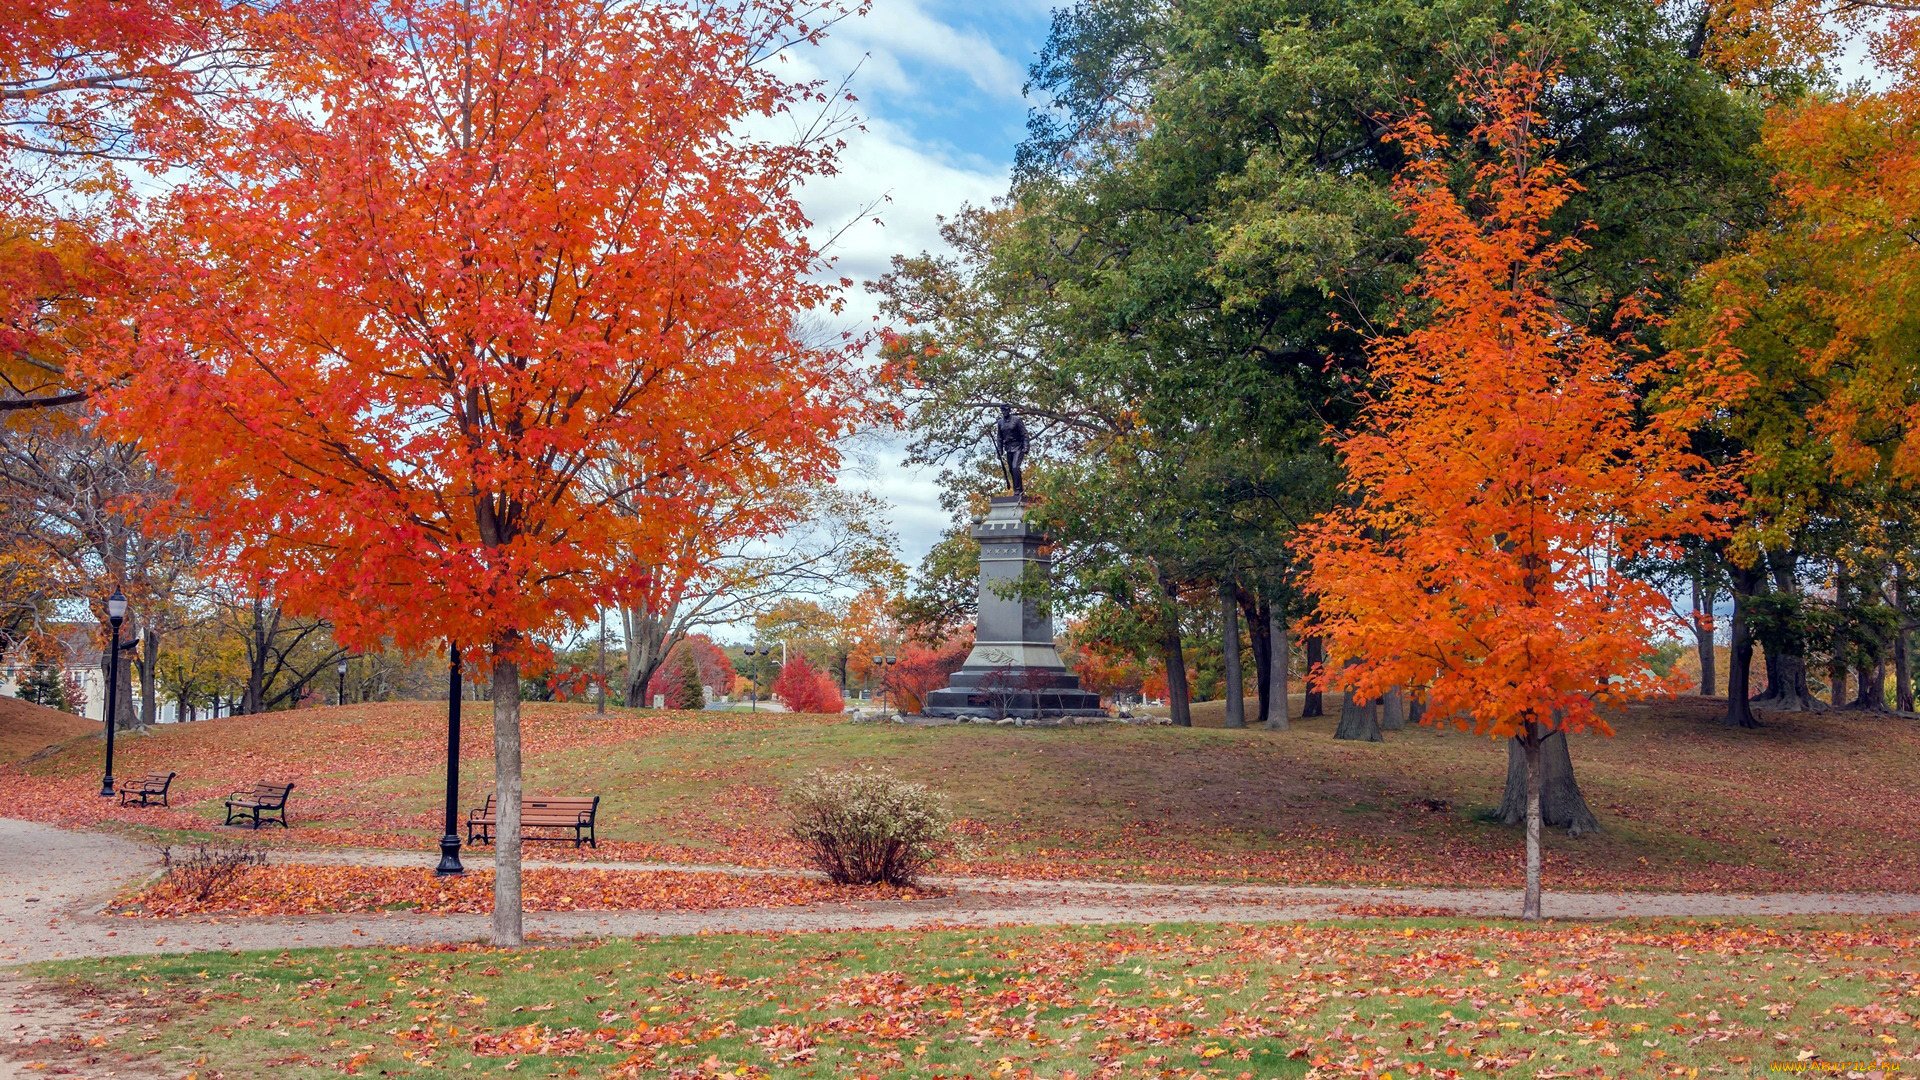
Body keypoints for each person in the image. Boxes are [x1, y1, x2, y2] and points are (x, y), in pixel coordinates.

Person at [994, 404, 1028, 495]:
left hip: (1018, 447)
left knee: (1015, 467)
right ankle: (1018, 489)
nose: (1004, 412)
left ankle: (1018, 490)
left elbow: (1024, 434)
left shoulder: (1016, 420)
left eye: (1005, 410)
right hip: (1008, 448)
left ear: (1009, 410)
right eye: (1002, 410)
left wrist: (1026, 447)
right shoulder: (1000, 422)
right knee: (1011, 469)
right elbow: (999, 437)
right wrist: (999, 450)